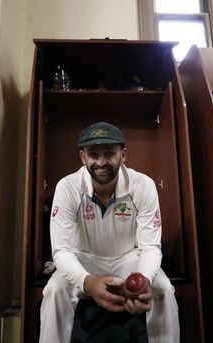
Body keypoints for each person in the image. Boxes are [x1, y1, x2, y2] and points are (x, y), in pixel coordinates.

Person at [39, 121, 179, 343]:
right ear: (83, 157)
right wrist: (87, 282)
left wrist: (141, 282)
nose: (101, 162)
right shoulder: (67, 187)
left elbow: (150, 247)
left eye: (109, 153)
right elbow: (62, 251)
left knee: (163, 289)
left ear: (123, 155)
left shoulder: (143, 185)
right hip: (85, 258)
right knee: (54, 290)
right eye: (93, 154)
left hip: (128, 259)